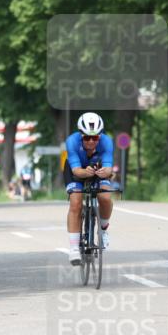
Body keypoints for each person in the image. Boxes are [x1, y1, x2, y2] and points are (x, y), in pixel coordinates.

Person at [64, 112, 115, 265]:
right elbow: (76, 171)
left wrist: (106, 171)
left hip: (97, 168)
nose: (91, 141)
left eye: (95, 137)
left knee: (105, 197)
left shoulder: (106, 142)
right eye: (87, 137)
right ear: (81, 135)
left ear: (100, 136)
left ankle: (103, 230)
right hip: (77, 170)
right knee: (76, 203)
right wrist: (84, 172)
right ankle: (74, 248)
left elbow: (108, 168)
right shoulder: (72, 141)